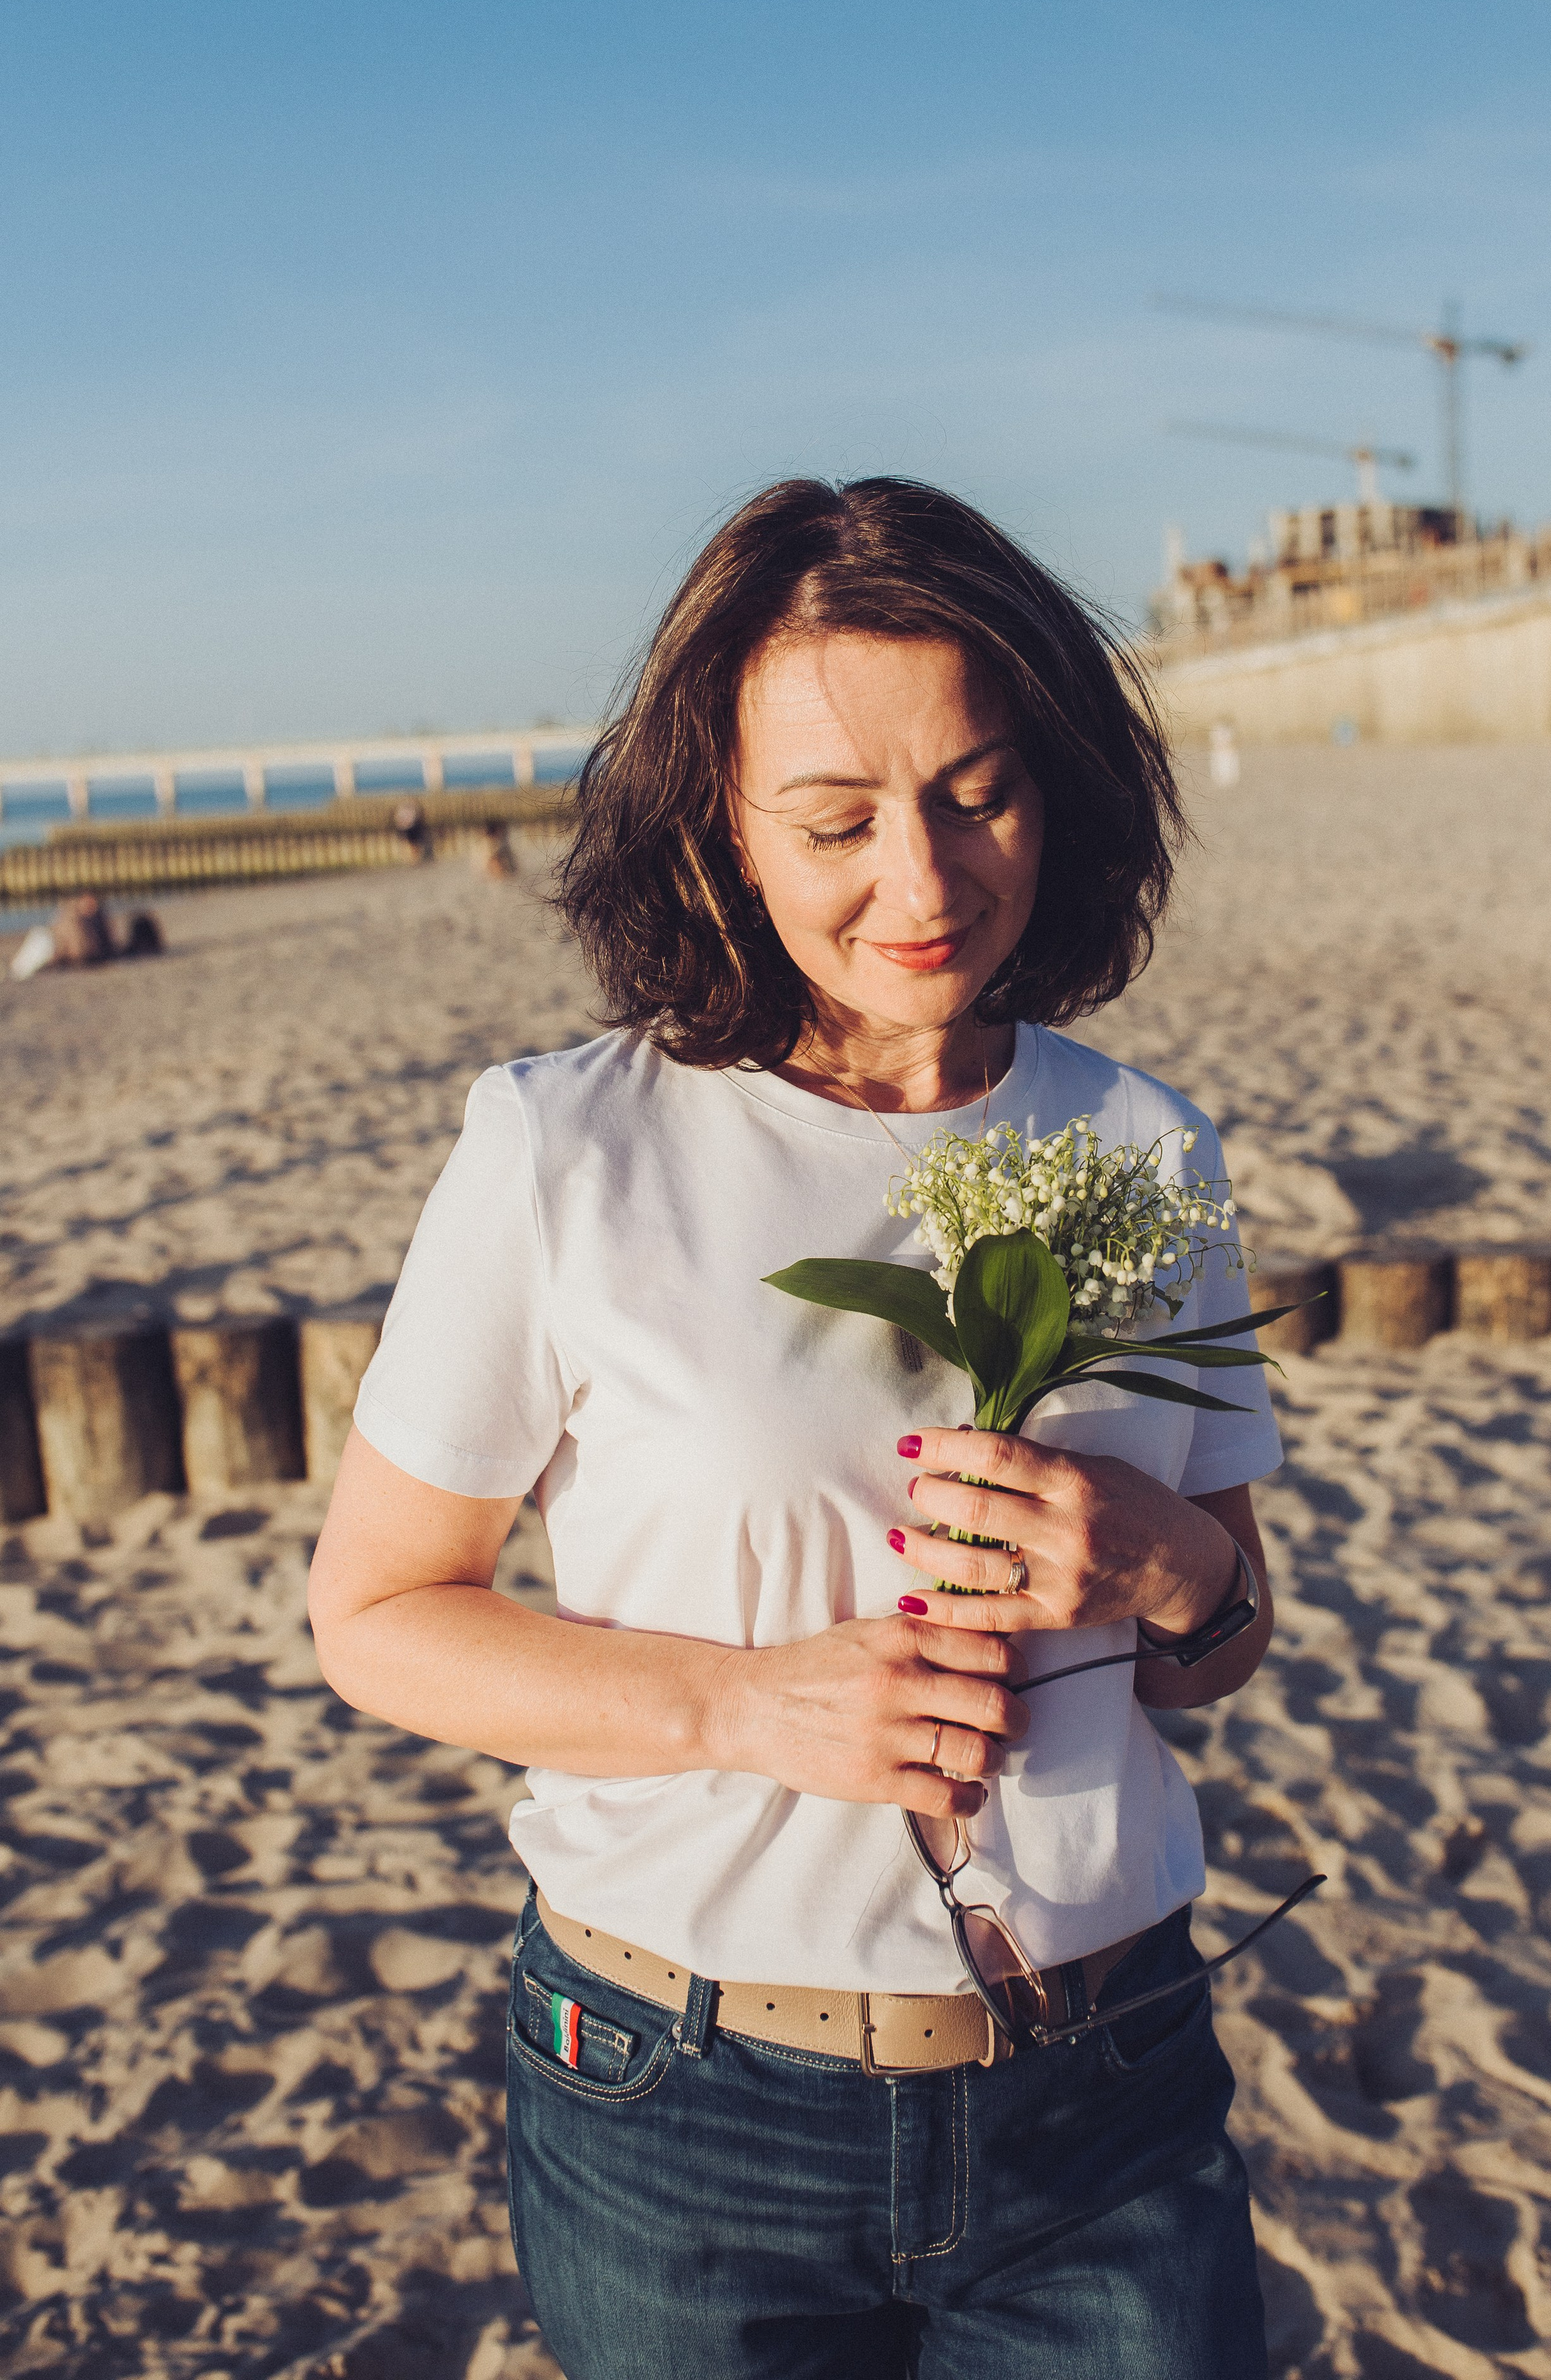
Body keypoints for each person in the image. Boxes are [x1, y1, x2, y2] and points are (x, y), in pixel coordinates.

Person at [308, 477, 1287, 2380]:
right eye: (835, 821)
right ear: (719, 831)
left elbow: (1223, 1648)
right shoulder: (564, 1147)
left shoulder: (1143, 1146)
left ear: (1059, 782)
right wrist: (744, 1707)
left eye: (977, 794)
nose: (921, 887)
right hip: (686, 2100)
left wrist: (1162, 1562)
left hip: (1110, 2089)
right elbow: (375, 1615)